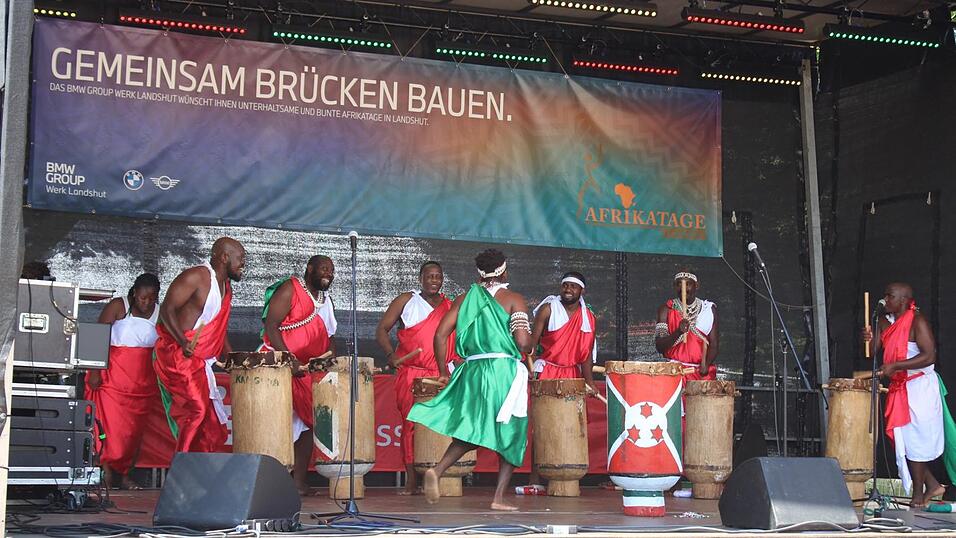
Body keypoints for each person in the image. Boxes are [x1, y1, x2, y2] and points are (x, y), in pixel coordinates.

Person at [408, 249, 533, 511]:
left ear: (480, 273)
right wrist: (530, 345)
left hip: (473, 371)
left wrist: (443, 371)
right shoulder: (513, 299)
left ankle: (438, 469)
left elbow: (440, 335)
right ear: (503, 271)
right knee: (511, 431)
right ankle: (498, 497)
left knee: (474, 427)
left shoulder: (464, 299)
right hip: (502, 372)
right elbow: (522, 342)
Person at [863, 282, 956, 508]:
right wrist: (868, 336)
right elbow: (872, 351)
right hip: (901, 389)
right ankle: (932, 486)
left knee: (918, 440)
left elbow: (929, 356)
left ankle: (918, 494)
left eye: (890, 296)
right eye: (885, 295)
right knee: (906, 441)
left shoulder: (917, 321)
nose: (885, 299)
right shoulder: (885, 321)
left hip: (920, 387)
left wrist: (896, 365)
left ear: (904, 300)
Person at [154, 237, 245, 453]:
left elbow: (216, 327)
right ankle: (181, 468)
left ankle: (197, 469)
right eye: (240, 259)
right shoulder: (196, 277)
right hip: (177, 355)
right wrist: (182, 340)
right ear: (224, 257)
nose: (243, 264)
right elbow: (167, 309)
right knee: (196, 410)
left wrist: (231, 357)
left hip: (199, 360)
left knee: (209, 419)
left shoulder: (226, 286)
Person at [375, 261, 455, 496]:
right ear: (420, 278)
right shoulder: (406, 300)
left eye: (438, 276)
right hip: (411, 373)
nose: (434, 280)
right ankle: (411, 481)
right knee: (411, 427)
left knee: (440, 426)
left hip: (441, 374)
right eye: (429, 276)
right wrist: (391, 355)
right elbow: (382, 329)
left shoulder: (450, 305)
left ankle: (437, 476)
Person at [260, 255, 337, 495]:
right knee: (276, 424)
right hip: (279, 366)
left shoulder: (326, 300)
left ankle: (298, 481)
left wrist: (329, 362)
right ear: (309, 269)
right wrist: (288, 358)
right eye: (324, 268)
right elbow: (271, 325)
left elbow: (329, 338)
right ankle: (269, 482)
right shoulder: (290, 288)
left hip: (308, 372)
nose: (329, 273)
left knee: (307, 426)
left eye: (332, 270)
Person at [85, 273, 160, 489]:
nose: (146, 303)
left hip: (143, 380)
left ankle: (125, 474)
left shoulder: (160, 312)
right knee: (108, 427)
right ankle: (106, 472)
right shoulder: (119, 305)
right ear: (134, 293)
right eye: (142, 297)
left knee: (133, 432)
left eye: (151, 298)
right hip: (112, 377)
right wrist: (95, 371)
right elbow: (96, 336)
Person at [525, 271, 597, 489]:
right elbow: (531, 345)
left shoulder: (589, 318)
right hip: (548, 371)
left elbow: (585, 356)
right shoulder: (548, 309)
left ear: (581, 291)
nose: (567, 290)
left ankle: (566, 474)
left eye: (573, 287)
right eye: (565, 285)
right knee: (541, 425)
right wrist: (529, 367)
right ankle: (535, 478)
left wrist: (590, 382)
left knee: (571, 425)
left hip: (572, 375)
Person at [655, 271, 719, 380]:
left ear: (696, 285)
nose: (683, 287)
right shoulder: (666, 309)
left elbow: (714, 344)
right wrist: (678, 332)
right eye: (679, 284)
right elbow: (660, 346)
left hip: (700, 373)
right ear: (674, 287)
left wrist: (706, 364)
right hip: (673, 373)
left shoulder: (708, 309)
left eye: (688, 283)